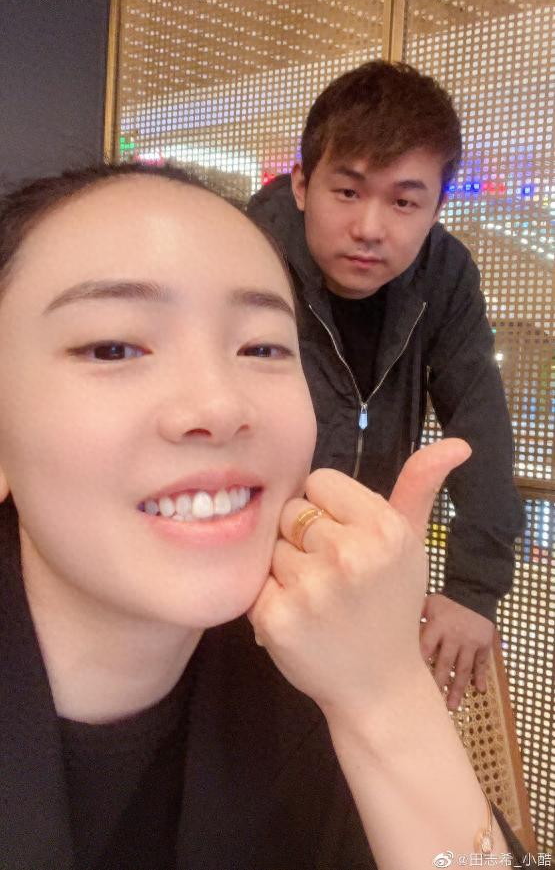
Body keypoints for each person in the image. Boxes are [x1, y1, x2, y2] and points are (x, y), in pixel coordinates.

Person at [0, 162, 527, 870]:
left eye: (261, 347)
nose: (220, 406)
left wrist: (386, 699)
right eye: (113, 347)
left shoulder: (314, 683)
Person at [247, 61, 525, 711]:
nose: (371, 228)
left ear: (435, 207)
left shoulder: (442, 273)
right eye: (347, 191)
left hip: (360, 582)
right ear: (301, 184)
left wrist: (472, 588)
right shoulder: (243, 253)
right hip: (241, 576)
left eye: (403, 202)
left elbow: (477, 418)